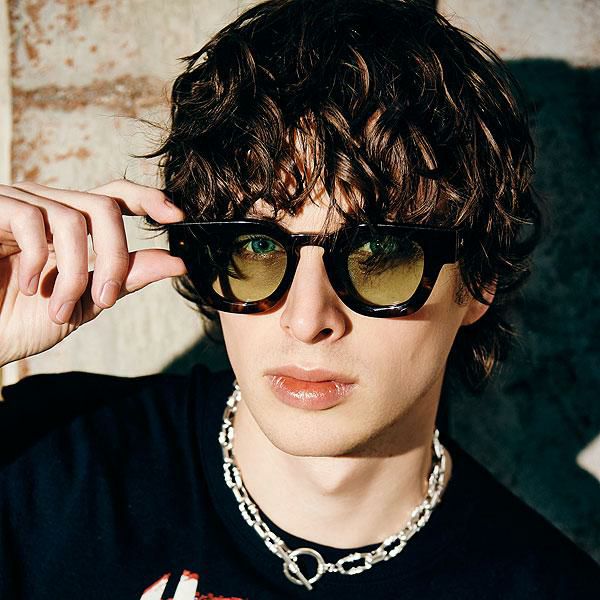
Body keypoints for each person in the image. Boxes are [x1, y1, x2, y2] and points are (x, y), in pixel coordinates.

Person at [0, 0, 598, 598]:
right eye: (259, 247)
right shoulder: (46, 458)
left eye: (380, 256)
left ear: (478, 281)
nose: (308, 319)